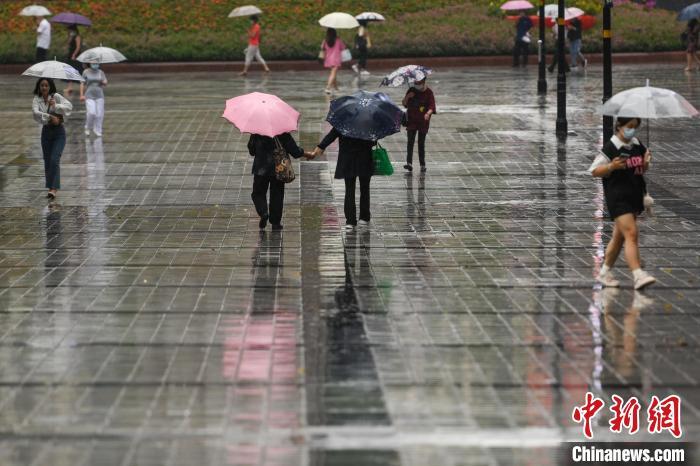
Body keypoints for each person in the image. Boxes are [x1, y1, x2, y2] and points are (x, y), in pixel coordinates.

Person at [589, 117, 656, 290]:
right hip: (618, 198)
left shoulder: (636, 144)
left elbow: (640, 169)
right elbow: (595, 171)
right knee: (632, 233)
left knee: (619, 237)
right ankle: (638, 274)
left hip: (633, 196)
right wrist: (612, 166)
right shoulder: (611, 147)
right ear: (619, 126)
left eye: (635, 127)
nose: (632, 130)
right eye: (629, 126)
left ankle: (604, 272)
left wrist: (646, 162)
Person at [312, 127, 375, 229]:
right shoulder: (368, 121)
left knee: (349, 189)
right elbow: (373, 141)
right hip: (365, 158)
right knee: (365, 188)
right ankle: (364, 217)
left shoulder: (344, 120)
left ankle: (350, 221)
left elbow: (332, 134)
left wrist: (321, 147)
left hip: (348, 158)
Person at [247, 133, 311, 230]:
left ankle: (263, 212)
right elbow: (295, 151)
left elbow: (251, 151)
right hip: (278, 168)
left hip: (260, 169)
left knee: (258, 193)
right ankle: (275, 222)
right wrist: (306, 154)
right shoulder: (282, 132)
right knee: (277, 194)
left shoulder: (257, 132)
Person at [32, 78, 73, 200]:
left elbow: (69, 107)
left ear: (50, 87)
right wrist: (50, 117)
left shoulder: (56, 96)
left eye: (46, 85)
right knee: (48, 161)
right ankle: (50, 187)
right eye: (42, 85)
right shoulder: (36, 99)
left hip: (59, 133)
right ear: (39, 87)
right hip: (46, 133)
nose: (44, 87)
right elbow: (35, 113)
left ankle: (54, 188)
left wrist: (56, 105)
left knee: (55, 159)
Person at [402, 78, 436, 173]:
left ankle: (422, 164)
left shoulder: (429, 92)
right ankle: (409, 163)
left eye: (418, 83)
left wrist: (428, 114)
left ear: (423, 82)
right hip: (412, 120)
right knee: (410, 142)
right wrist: (408, 96)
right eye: (415, 83)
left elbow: (432, 106)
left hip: (423, 122)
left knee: (421, 143)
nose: (416, 84)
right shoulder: (411, 90)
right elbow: (404, 104)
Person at [80, 63, 108, 137]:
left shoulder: (100, 72)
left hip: (99, 95)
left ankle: (97, 129)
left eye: (96, 63)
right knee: (91, 112)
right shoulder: (86, 72)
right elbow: (82, 83)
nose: (95, 64)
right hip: (89, 94)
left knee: (99, 114)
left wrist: (103, 82)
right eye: (93, 62)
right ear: (90, 63)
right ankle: (87, 127)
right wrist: (81, 95)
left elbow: (105, 82)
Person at [321, 28, 346, 94]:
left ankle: (335, 88)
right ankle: (328, 87)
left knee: (333, 73)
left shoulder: (325, 40)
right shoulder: (338, 40)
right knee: (333, 73)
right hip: (336, 59)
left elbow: (322, 48)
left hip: (328, 59)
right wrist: (341, 40)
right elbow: (343, 47)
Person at [64, 25, 82, 96]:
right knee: (69, 71)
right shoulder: (71, 36)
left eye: (70, 30)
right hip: (70, 55)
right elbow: (68, 44)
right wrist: (70, 38)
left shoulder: (77, 36)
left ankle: (82, 84)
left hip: (76, 55)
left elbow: (78, 47)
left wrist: (74, 54)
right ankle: (69, 87)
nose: (69, 31)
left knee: (78, 71)